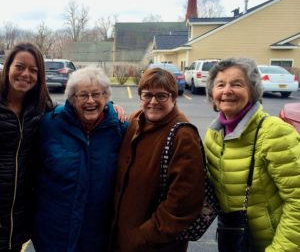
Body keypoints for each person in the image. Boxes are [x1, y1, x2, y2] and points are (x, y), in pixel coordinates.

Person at [204, 57, 300, 252]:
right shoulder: (213, 136)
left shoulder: (274, 132)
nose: (227, 91)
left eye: (237, 84)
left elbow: (297, 202)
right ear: (212, 93)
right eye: (220, 84)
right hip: (236, 240)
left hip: (274, 244)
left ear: (252, 91)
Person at [31, 66, 127, 252]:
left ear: (106, 97)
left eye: (96, 94)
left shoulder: (120, 128)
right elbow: (32, 171)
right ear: (72, 99)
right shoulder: (50, 124)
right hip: (54, 232)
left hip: (98, 233)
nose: (90, 101)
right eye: (83, 95)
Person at [111, 67, 205, 252]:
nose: (153, 102)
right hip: (122, 238)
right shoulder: (135, 120)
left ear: (173, 97)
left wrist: (142, 238)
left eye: (161, 96)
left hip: (154, 245)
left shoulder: (183, 135)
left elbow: (182, 205)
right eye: (147, 95)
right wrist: (110, 108)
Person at [0, 42, 54, 252]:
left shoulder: (41, 107)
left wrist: (110, 108)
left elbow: (73, 113)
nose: (26, 74)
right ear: (8, 67)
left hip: (17, 218)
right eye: (20, 66)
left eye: (33, 70)